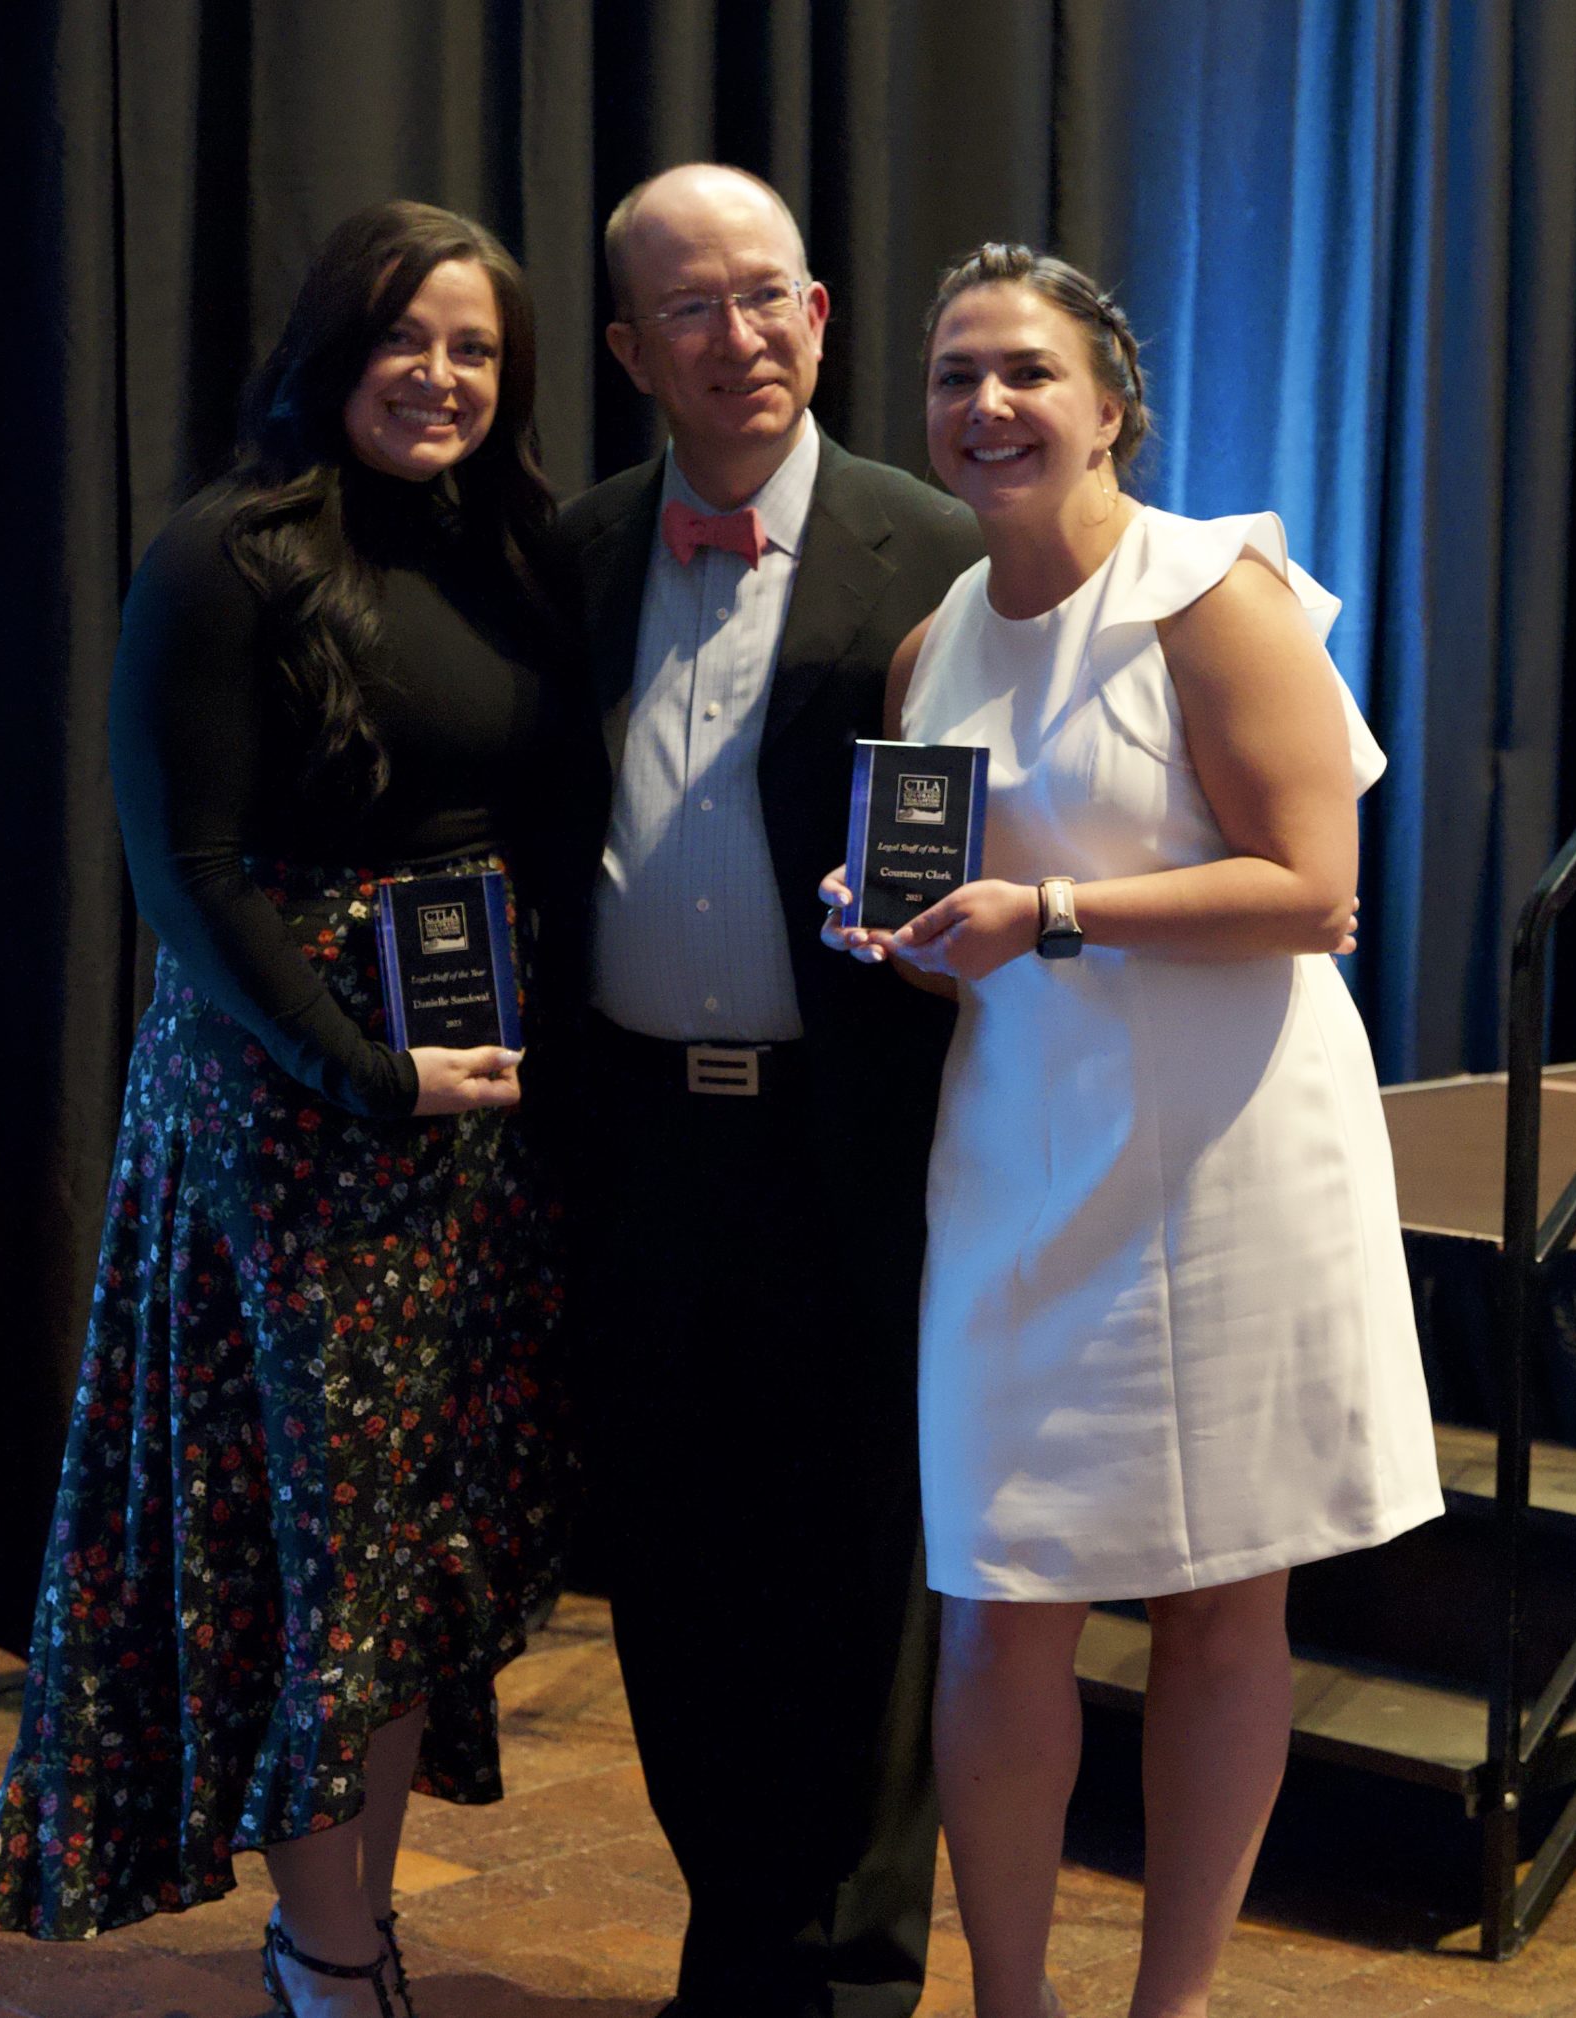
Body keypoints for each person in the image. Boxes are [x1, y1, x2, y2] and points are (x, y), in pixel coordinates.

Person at [0, 200, 574, 2018]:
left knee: (404, 1548)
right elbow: (191, 870)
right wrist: (362, 1068)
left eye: (476, 349)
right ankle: (328, 1950)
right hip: (294, 1124)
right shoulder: (225, 555)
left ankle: (350, 1921)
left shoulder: (512, 554)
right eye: (410, 340)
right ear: (333, 349)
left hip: (468, 1119)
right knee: (325, 1552)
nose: (444, 377)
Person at [822, 244, 1442, 2018]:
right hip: (1022, 1148)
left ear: (1110, 409)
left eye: (1025, 372)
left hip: (1230, 1151)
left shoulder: (1213, 588)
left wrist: (1051, 913)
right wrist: (904, 931)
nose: (986, 405)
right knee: (998, 1589)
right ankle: (1012, 2004)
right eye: (953, 375)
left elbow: (1315, 887)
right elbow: (973, 948)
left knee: (1221, 1599)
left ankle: (1168, 2008)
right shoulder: (935, 638)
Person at [542, 163, 983, 2018]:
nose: (741, 339)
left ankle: (858, 1976)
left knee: (866, 1584)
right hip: (641, 1143)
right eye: (694, 309)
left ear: (822, 317)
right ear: (636, 347)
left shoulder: (942, 549)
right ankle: (736, 1949)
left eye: (770, 297)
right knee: (676, 1567)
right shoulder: (569, 558)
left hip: (854, 1142)